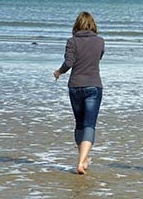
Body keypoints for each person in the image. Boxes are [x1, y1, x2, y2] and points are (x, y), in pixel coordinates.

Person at [53, 12, 105, 174]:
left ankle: (83, 160)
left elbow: (69, 62)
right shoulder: (100, 41)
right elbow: (99, 57)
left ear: (77, 25)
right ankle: (82, 161)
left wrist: (59, 72)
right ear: (93, 25)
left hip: (75, 86)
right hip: (93, 86)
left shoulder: (72, 41)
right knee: (90, 124)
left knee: (79, 124)